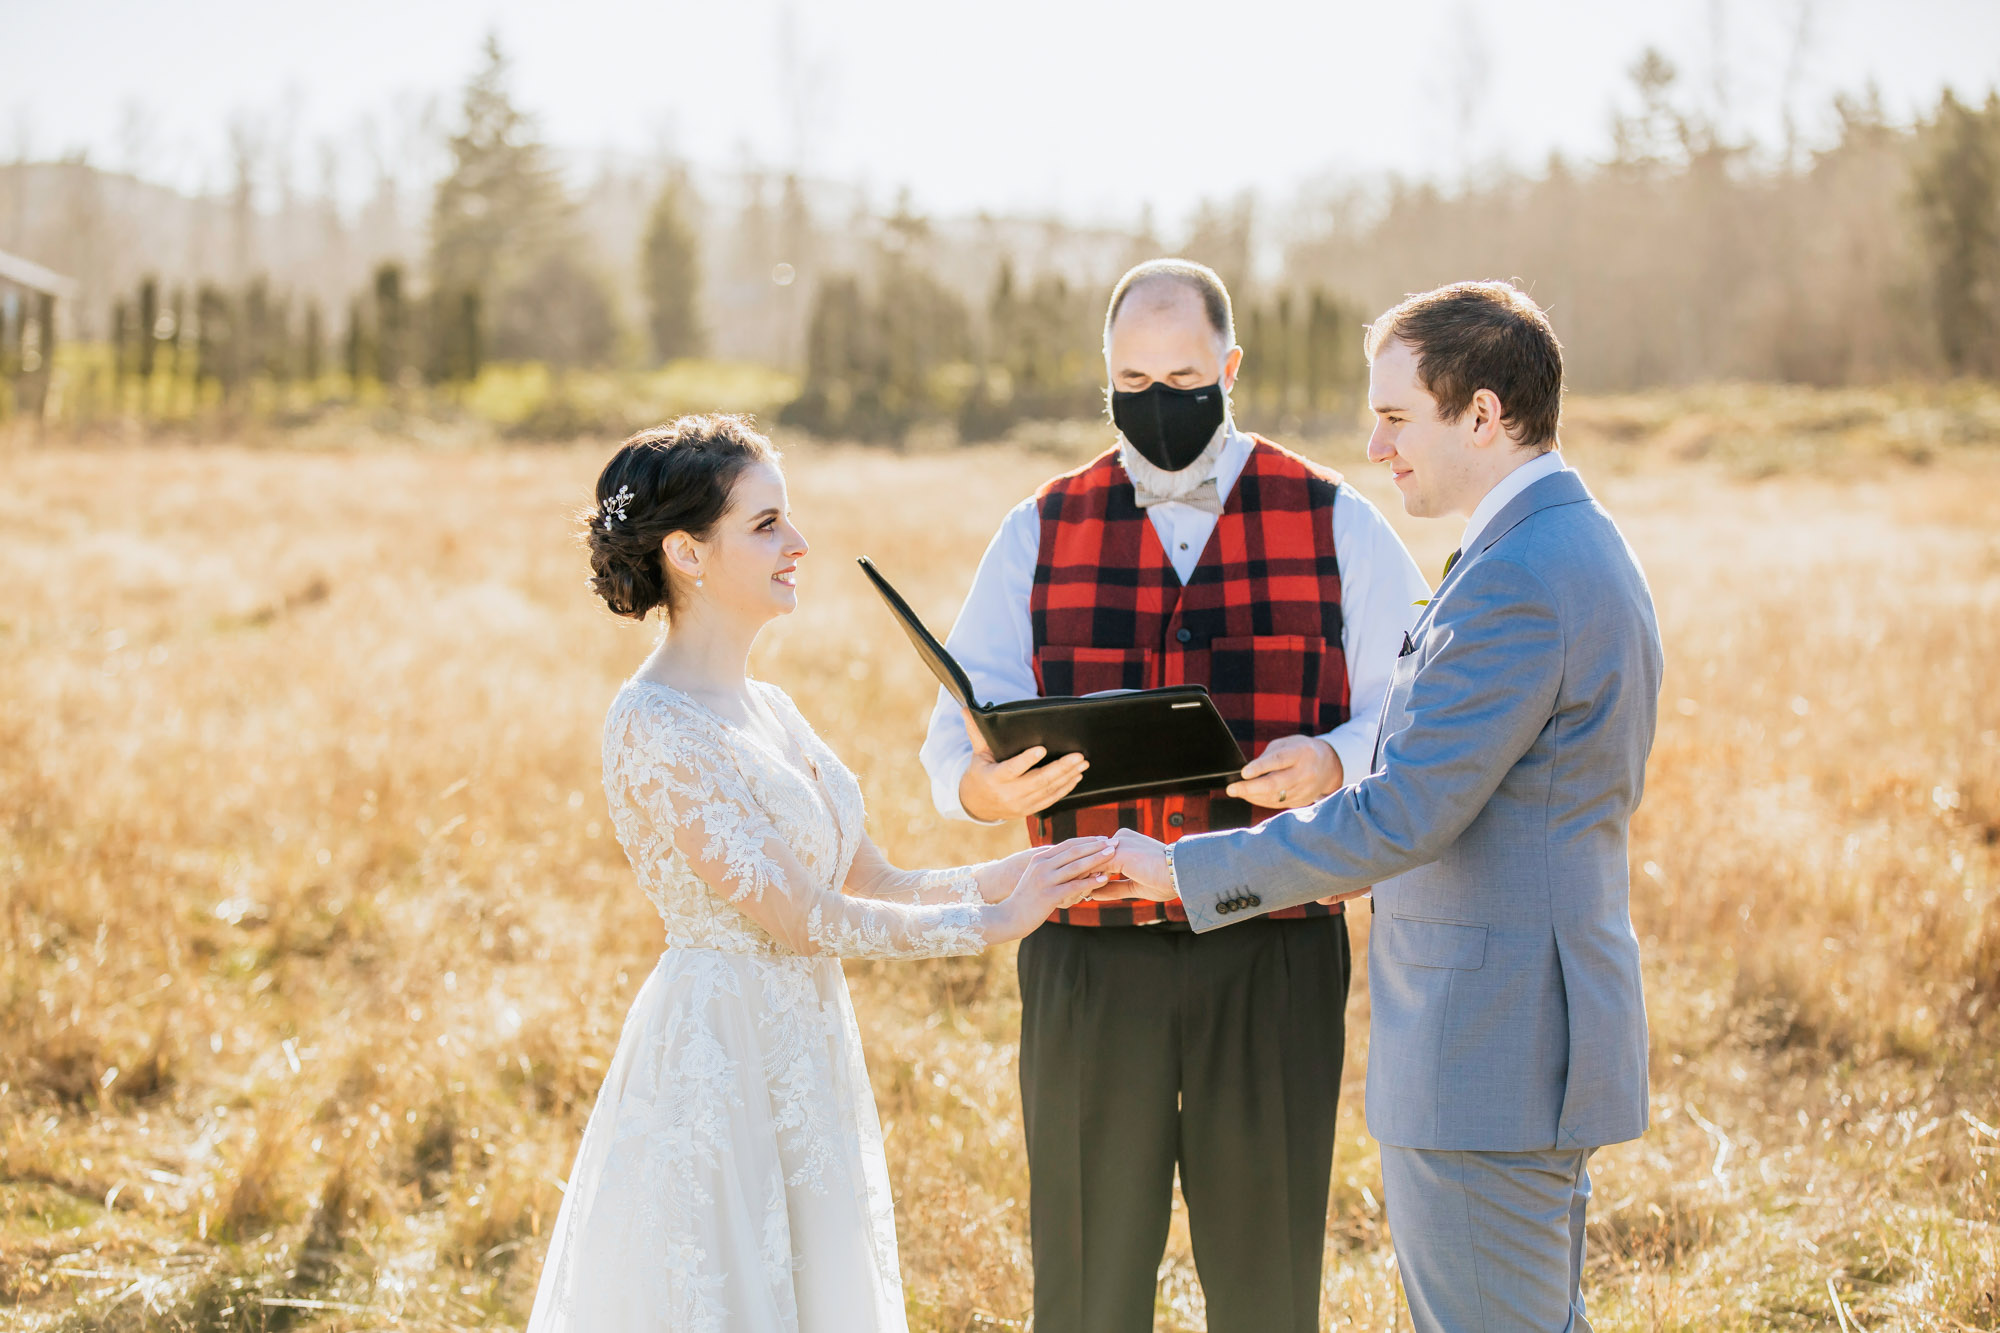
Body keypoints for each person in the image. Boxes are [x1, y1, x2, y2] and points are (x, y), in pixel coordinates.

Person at [1103, 281, 1663, 1333]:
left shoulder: (1518, 578)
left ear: (1483, 415)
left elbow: (1406, 815)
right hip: (1532, 1031)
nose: (1373, 444)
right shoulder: (1564, 543)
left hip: (1485, 1049)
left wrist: (1185, 869)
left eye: (1397, 415)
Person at [919, 259, 1429, 1333]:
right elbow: (949, 748)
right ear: (1103, 380)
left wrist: (1336, 758)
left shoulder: (1334, 520)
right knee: (1086, 1279)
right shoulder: (1037, 528)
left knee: (1266, 1273)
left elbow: (1421, 709)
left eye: (1184, 375)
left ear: (1229, 368)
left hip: (1273, 942)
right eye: (1132, 382)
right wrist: (984, 780)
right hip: (1088, 950)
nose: (1159, 401)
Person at [525, 414, 1116, 1333]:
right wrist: (989, 927)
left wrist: (1008, 872)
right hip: (720, 1051)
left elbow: (871, 877)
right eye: (765, 525)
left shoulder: (773, 707)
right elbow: (801, 917)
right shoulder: (654, 723)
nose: (798, 543)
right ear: (685, 551)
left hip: (806, 1049)